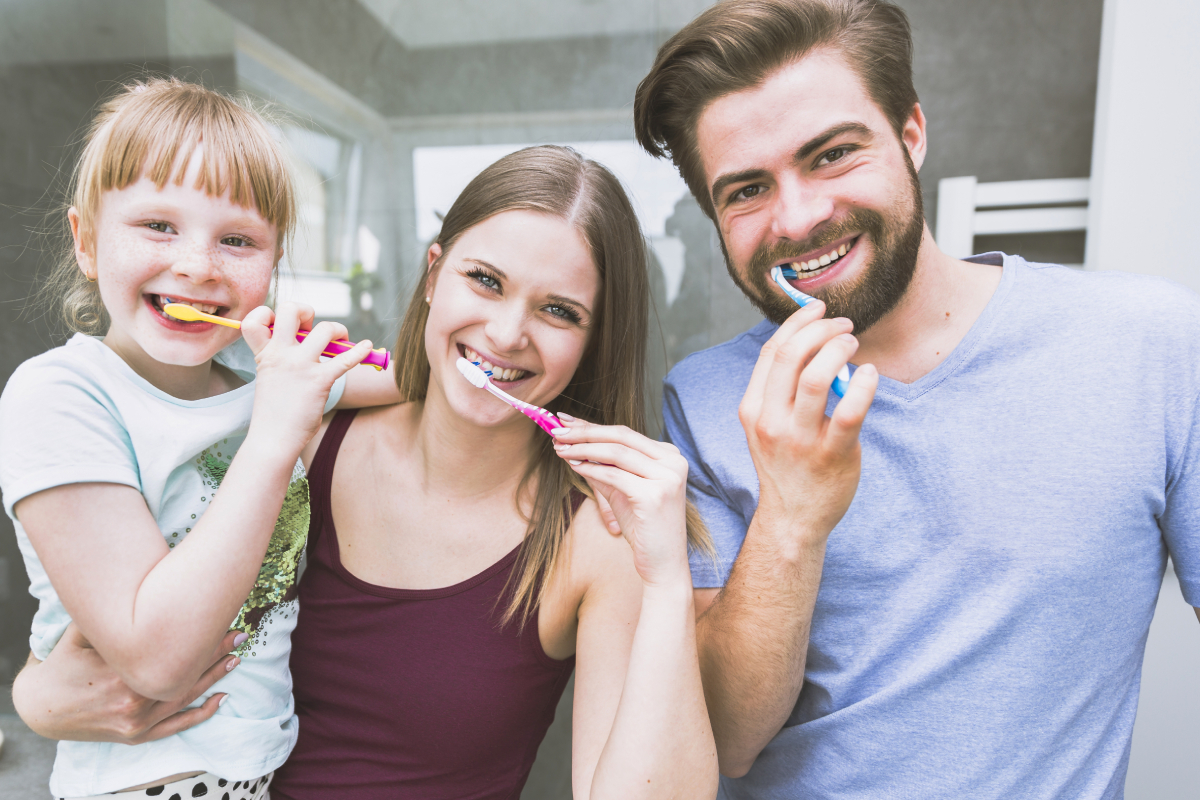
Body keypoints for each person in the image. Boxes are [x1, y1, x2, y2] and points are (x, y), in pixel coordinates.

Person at [13, 145, 721, 799]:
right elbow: (125, 604)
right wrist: (36, 693)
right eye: (483, 280)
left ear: (595, 340)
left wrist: (665, 587)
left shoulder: (598, 537)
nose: (507, 334)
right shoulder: (295, 435)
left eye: (559, 311)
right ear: (433, 275)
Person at [631, 0, 1200, 798]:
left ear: (911, 134)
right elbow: (724, 738)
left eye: (831, 154)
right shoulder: (699, 401)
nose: (798, 217)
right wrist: (791, 515)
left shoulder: (1154, 344)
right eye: (747, 190)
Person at [0, 78, 401, 799]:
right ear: (87, 243)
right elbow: (156, 663)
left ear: (271, 267)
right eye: (158, 225)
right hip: (150, 785)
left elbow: (416, 381)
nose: (197, 265)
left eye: (238, 240)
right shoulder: (60, 395)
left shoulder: (259, 372)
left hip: (262, 767)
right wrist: (278, 431)